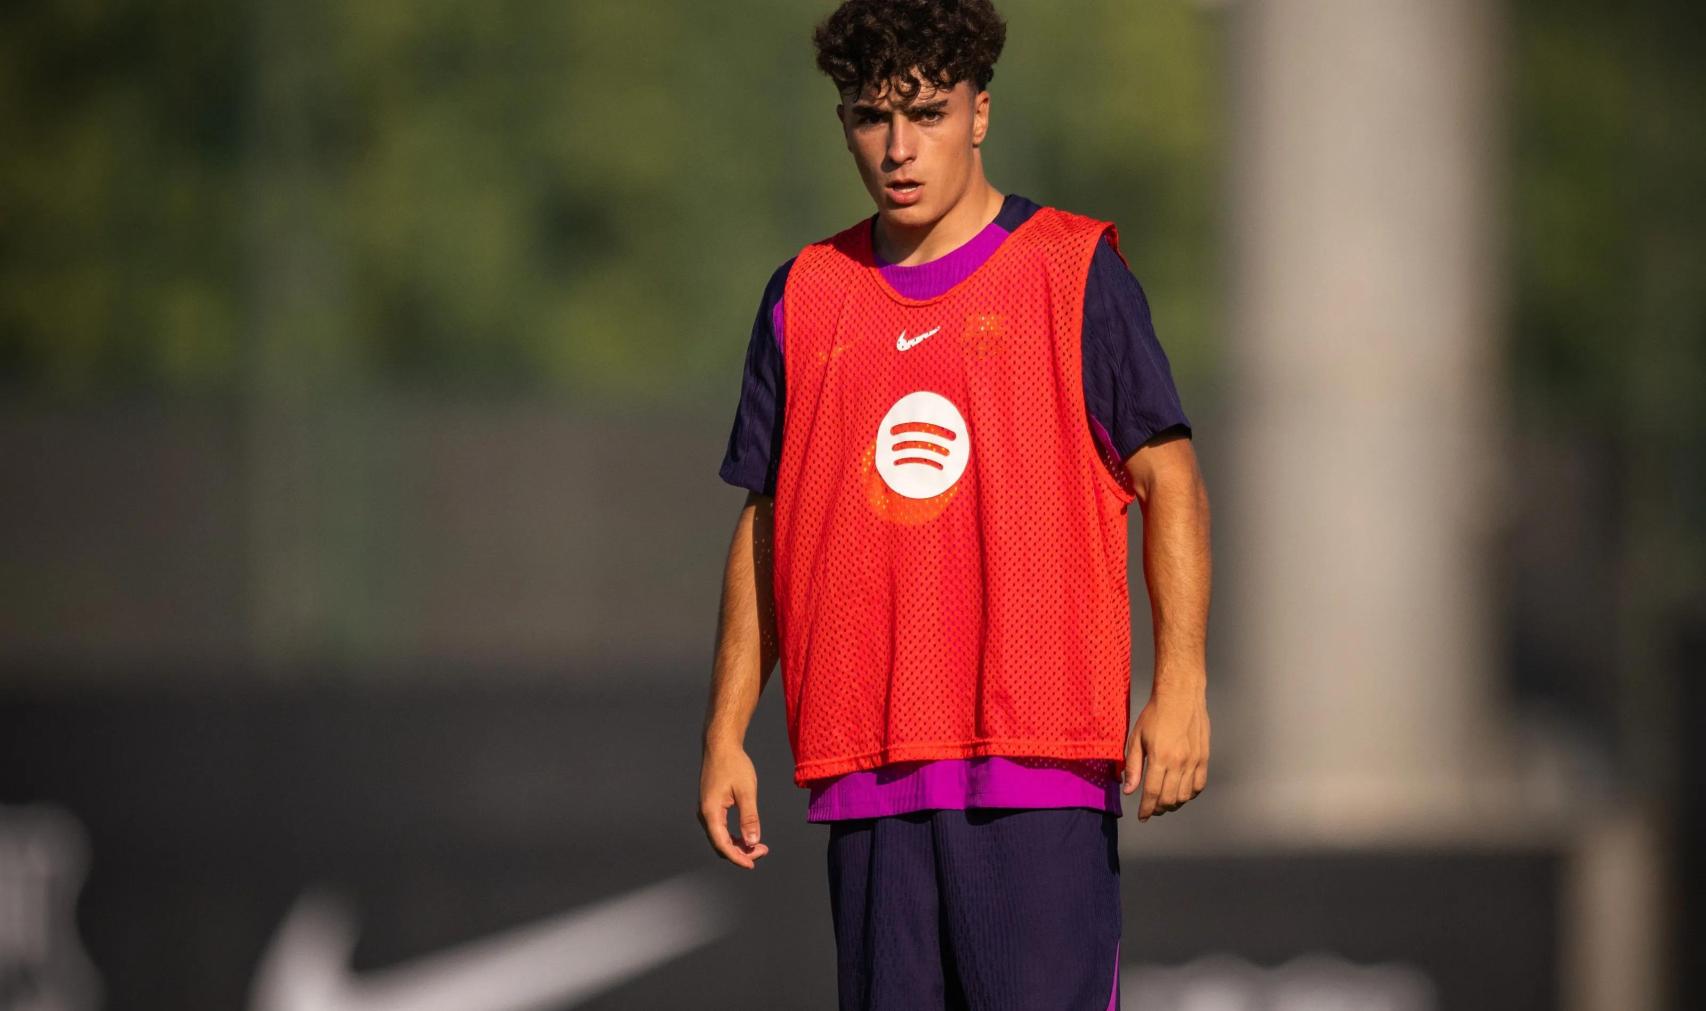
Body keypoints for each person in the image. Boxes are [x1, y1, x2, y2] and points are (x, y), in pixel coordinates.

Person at [697, 1, 1213, 1007]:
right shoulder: (802, 295)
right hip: (866, 769)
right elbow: (767, 521)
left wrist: (1181, 684)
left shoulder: (1073, 270)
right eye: (867, 117)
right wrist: (724, 733)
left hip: (1037, 764)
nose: (897, 148)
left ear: (980, 112)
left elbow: (1171, 481)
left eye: (926, 113)